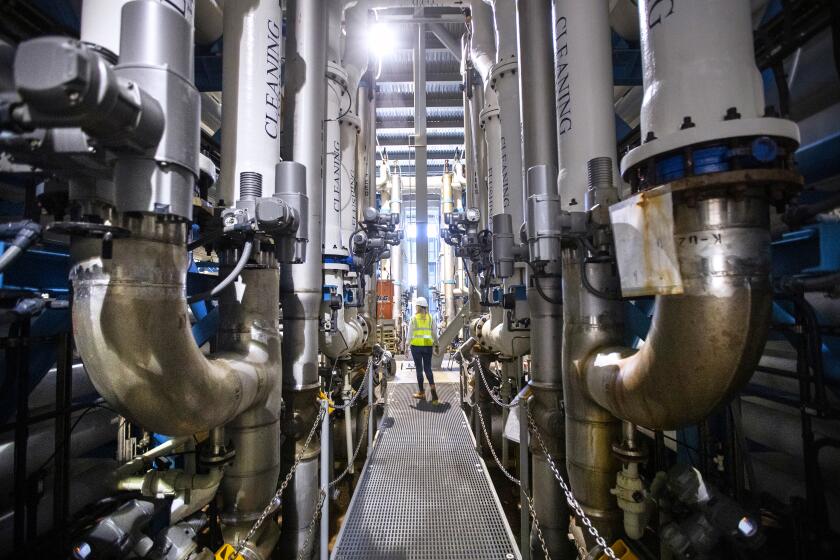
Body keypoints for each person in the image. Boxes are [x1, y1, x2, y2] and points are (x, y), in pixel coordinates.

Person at [405, 296, 440, 403]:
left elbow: (410, 334)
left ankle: (421, 393)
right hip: (428, 347)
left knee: (419, 369)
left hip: (416, 347)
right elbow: (435, 333)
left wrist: (406, 346)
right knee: (428, 369)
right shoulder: (430, 318)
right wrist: (437, 345)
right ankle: (434, 394)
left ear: (418, 307)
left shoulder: (414, 318)